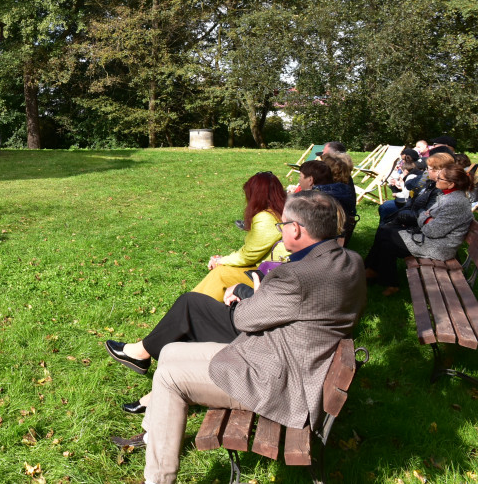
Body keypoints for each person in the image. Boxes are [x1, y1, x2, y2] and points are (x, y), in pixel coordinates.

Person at [107, 191, 366, 484]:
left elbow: (243, 319)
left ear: (296, 229)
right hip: (294, 363)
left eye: (283, 225)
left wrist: (250, 294)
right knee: (170, 353)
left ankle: (157, 479)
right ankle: (154, 433)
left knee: (169, 377)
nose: (281, 231)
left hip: (281, 382)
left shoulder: (296, 275)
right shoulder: (350, 261)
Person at [365, 163, 474, 296]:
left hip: (440, 247)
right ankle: (383, 278)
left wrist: (426, 217)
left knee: (387, 235)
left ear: (451, 184)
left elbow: (431, 231)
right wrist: (427, 217)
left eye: (440, 178)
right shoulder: (448, 196)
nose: (436, 179)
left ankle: (376, 274)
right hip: (433, 239)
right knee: (386, 235)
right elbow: (425, 214)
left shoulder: (455, 202)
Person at [192, 172, 287, 301]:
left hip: (271, 277)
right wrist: (224, 259)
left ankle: (190, 307)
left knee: (220, 275)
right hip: (278, 272)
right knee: (224, 270)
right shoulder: (282, 211)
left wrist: (220, 261)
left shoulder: (265, 217)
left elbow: (248, 255)